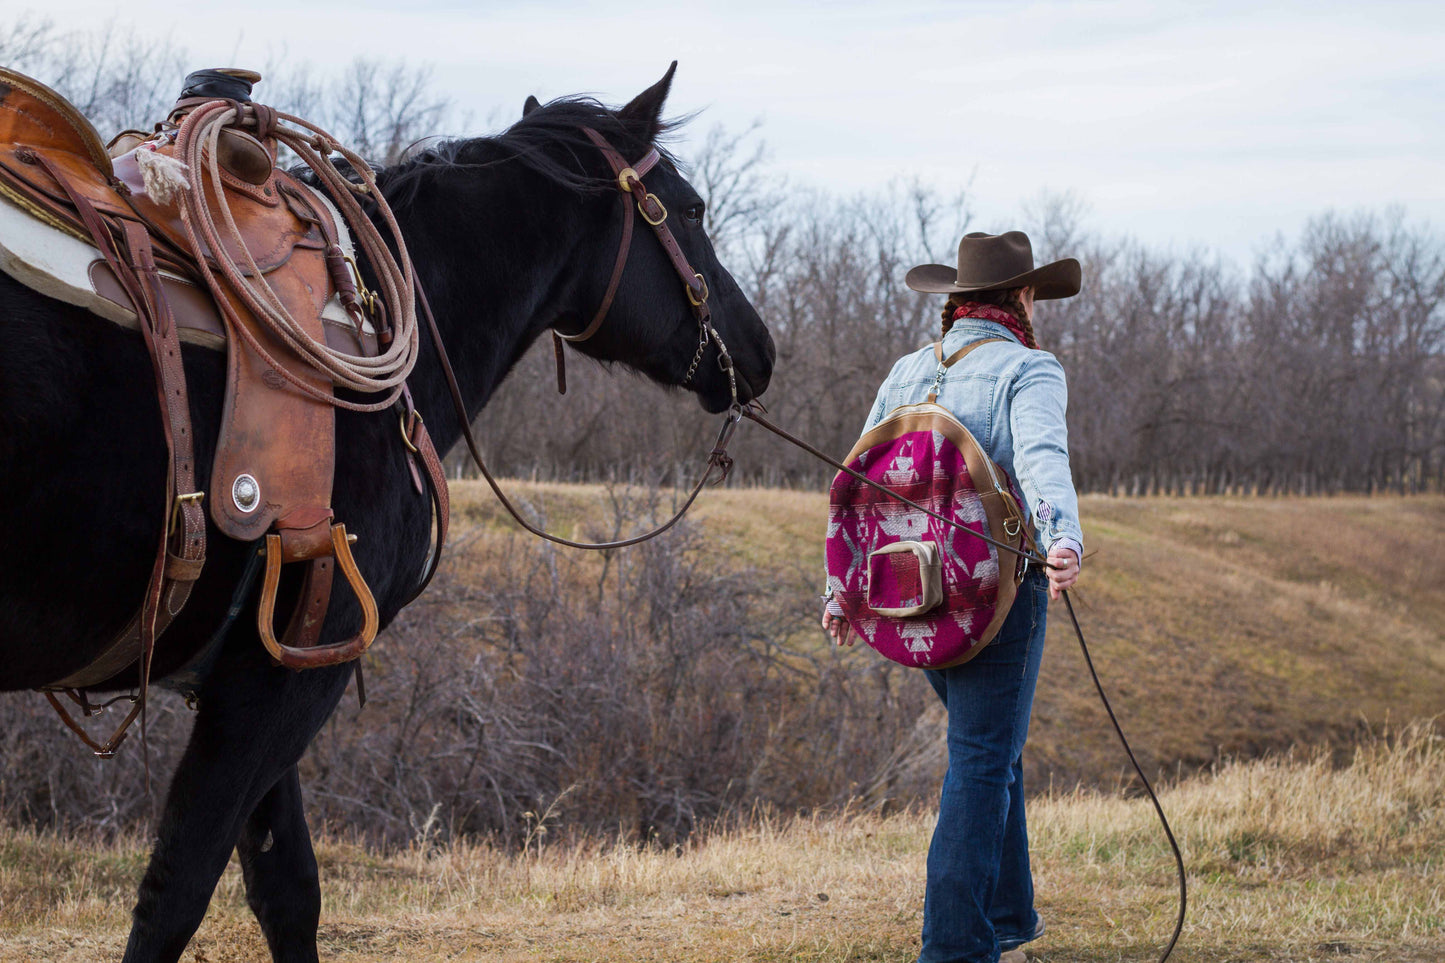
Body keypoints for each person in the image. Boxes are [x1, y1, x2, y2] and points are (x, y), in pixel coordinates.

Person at [822, 231, 1084, 963]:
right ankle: (955, 948)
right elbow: (1040, 458)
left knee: (990, 748)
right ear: (1023, 297)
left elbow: (858, 489)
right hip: (997, 594)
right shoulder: (1029, 367)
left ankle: (1007, 913)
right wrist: (1062, 538)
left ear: (955, 299)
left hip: (909, 599)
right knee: (979, 756)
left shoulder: (906, 371)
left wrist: (842, 592)